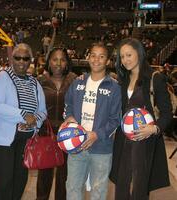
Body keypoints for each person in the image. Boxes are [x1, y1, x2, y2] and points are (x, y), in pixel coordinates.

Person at [109, 38, 172, 200]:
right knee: (121, 182)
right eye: (122, 57)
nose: (125, 60)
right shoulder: (122, 80)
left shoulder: (155, 78)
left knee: (140, 186)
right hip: (123, 141)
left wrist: (154, 128)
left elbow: (167, 112)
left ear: (139, 53)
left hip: (146, 141)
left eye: (129, 55)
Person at [0, 43, 47, 200]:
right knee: (3, 182)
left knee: (20, 181)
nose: (21, 61)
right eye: (17, 57)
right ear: (11, 59)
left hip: (25, 140)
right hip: (3, 140)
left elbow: (42, 111)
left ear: (30, 60)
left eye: (25, 58)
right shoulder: (2, 77)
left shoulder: (35, 82)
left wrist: (34, 121)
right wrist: (23, 115)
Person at [63, 42, 121, 200]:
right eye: (93, 55)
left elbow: (115, 119)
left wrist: (97, 134)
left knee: (99, 191)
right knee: (73, 188)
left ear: (108, 61)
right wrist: (68, 116)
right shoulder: (78, 83)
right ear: (88, 58)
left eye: (101, 56)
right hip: (77, 145)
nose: (96, 59)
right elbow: (68, 105)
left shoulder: (114, 88)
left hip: (101, 148)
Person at [36, 47, 76, 200]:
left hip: (67, 133)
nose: (58, 63)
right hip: (46, 133)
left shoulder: (74, 80)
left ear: (67, 63)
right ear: (49, 62)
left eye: (62, 59)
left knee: (64, 175)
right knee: (44, 174)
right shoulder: (40, 81)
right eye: (54, 59)